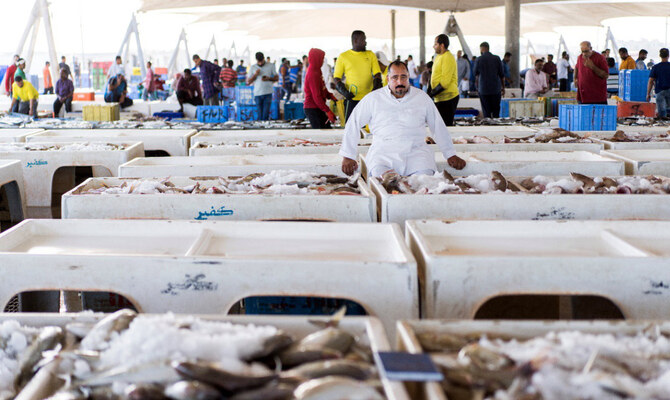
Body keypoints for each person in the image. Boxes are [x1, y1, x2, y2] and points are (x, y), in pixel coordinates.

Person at [339, 60, 466, 179]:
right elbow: (353, 123)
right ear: (388, 78)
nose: (399, 81)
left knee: (425, 181)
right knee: (380, 181)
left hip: (416, 153)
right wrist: (348, 155)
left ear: (408, 77)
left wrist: (450, 154)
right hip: (383, 153)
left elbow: (437, 126)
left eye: (403, 77)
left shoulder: (422, 98)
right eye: (395, 77)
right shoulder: (373, 98)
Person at [333, 30, 382, 121]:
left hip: (368, 99)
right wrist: (344, 92)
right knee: (351, 127)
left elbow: (377, 74)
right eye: (363, 40)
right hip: (351, 99)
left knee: (370, 126)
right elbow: (336, 78)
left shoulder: (370, 54)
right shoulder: (343, 56)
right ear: (355, 41)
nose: (366, 42)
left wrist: (375, 89)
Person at [303, 48, 338, 129]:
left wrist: (331, 96)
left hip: (318, 107)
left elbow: (323, 88)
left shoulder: (317, 70)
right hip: (312, 108)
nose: (322, 61)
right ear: (316, 59)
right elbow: (317, 96)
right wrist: (327, 110)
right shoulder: (312, 73)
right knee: (321, 133)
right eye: (321, 59)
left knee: (327, 129)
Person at [430, 34, 459, 127]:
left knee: (445, 127)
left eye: (435, 44)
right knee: (438, 126)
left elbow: (445, 83)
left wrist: (431, 94)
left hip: (448, 98)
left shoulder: (448, 57)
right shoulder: (438, 56)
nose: (433, 46)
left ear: (442, 45)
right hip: (439, 98)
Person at [474, 42, 505, 118]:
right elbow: (502, 75)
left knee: (486, 113)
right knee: (496, 112)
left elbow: (475, 73)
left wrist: (477, 88)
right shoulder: (497, 58)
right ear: (488, 48)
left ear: (482, 49)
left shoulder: (479, 59)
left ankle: (488, 127)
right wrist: (503, 88)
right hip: (495, 90)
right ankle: (496, 127)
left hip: (483, 89)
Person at [247, 52, 278, 120]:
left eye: (261, 61)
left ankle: (265, 128)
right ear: (256, 60)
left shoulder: (271, 65)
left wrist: (269, 78)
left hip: (268, 92)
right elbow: (248, 82)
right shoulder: (253, 67)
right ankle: (261, 128)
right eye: (259, 61)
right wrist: (255, 74)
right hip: (257, 93)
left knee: (265, 114)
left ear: (264, 58)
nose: (260, 63)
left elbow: (277, 78)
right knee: (260, 114)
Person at [647, 48, 670, 118]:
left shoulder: (656, 67)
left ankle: (662, 125)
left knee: (662, 113)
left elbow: (651, 81)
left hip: (660, 92)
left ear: (660, 55)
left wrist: (648, 94)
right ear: (668, 55)